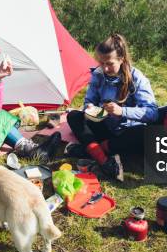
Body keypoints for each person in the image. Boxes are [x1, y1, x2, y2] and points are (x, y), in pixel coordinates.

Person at [67, 34, 158, 178]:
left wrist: (122, 111)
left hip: (126, 131)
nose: (105, 68)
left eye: (109, 63)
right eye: (101, 63)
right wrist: (89, 108)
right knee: (73, 116)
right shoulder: (98, 74)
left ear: (121, 59)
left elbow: (152, 113)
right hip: (103, 126)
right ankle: (105, 161)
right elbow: (88, 101)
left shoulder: (137, 78)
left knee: (145, 133)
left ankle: (91, 150)